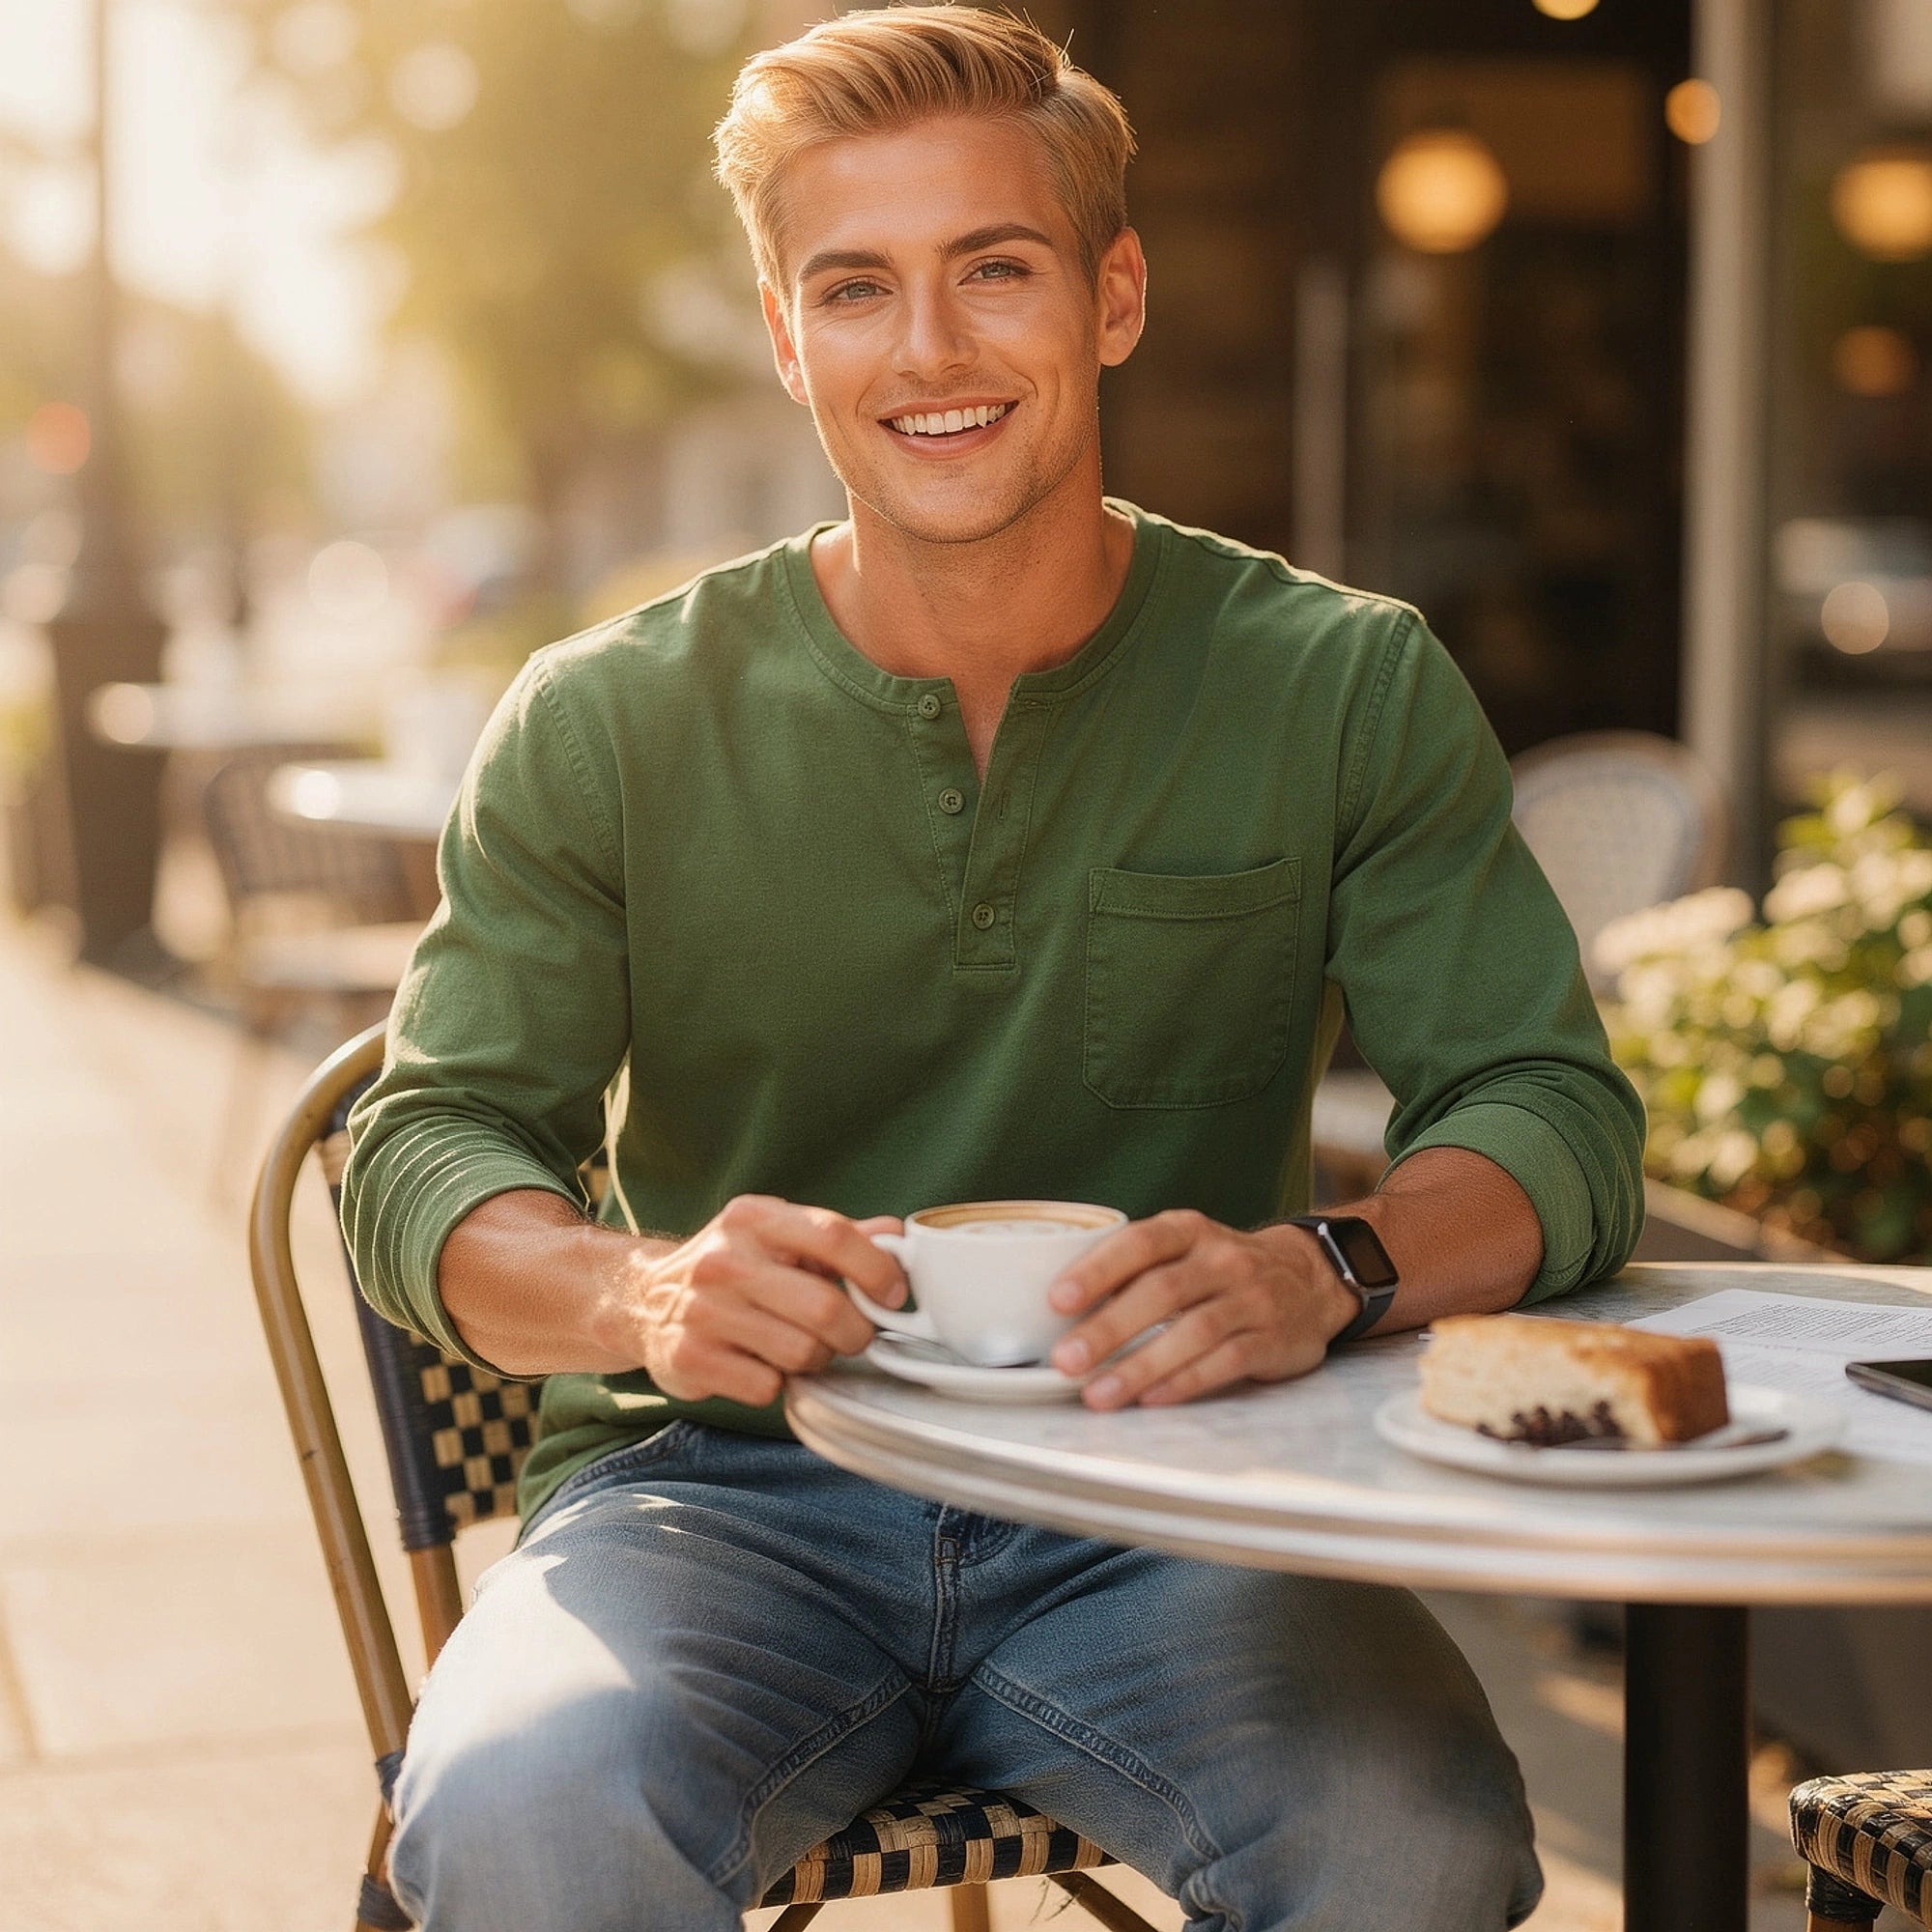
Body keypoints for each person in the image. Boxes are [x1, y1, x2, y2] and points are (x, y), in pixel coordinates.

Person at [342, 9, 1645, 1928]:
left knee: (1415, 1851)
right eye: (855, 288)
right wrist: (645, 1285)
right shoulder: (604, 719)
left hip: (1182, 1512)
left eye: (994, 271)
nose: (928, 352)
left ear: (1112, 295)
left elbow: (1551, 1119)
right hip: (711, 1502)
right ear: (788, 337)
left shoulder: (1337, 683)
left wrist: (1329, 1265)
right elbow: (422, 1150)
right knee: (523, 1814)